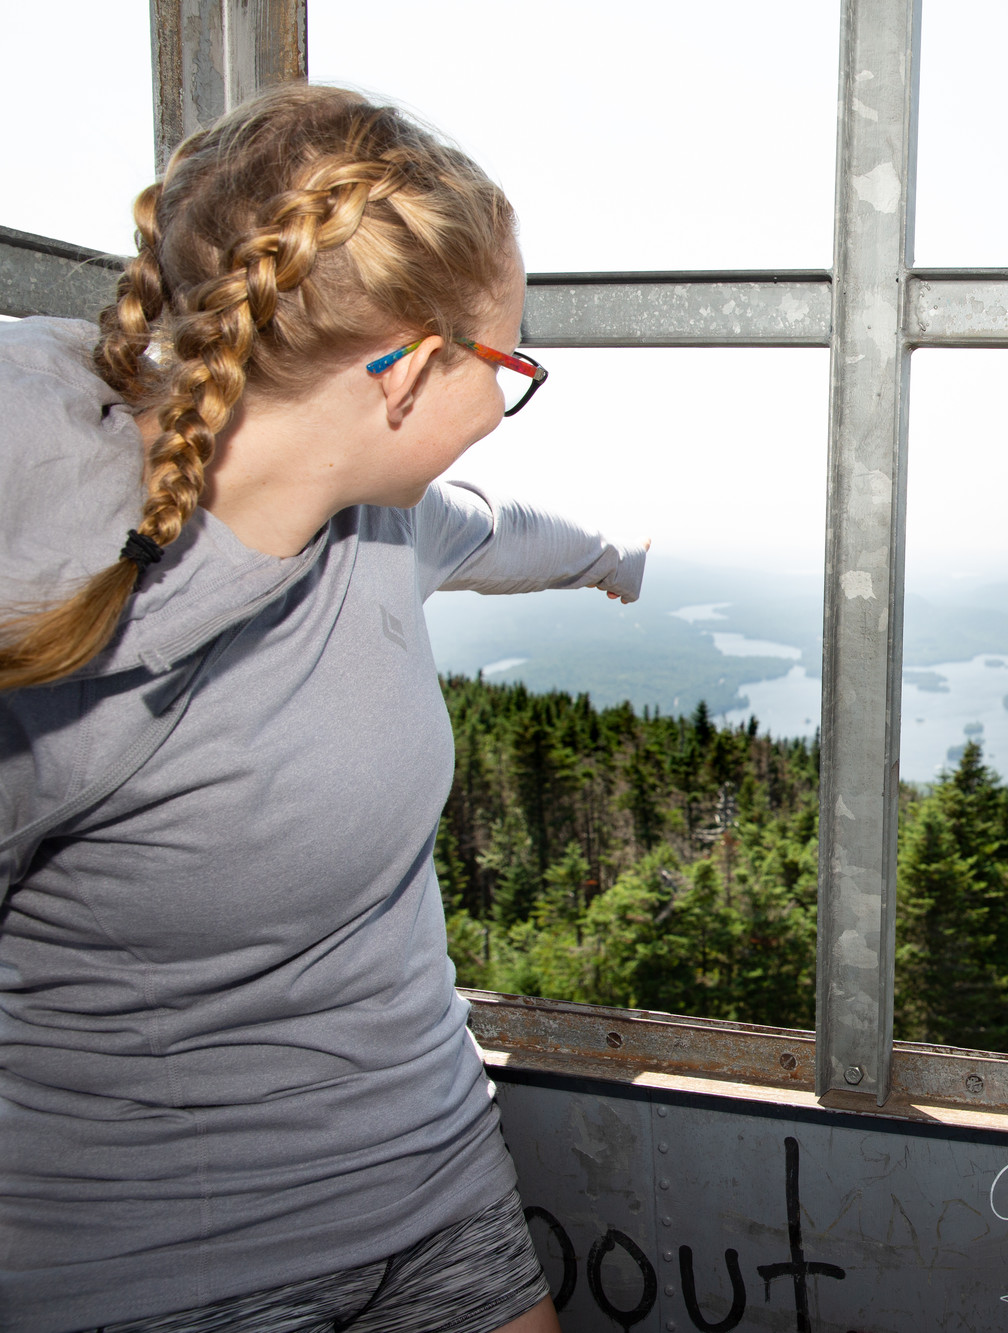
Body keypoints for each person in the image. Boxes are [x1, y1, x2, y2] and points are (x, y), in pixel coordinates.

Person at [0, 85, 647, 1332]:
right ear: (403, 369)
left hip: (436, 1184)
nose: (509, 395)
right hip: (145, 1266)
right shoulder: (43, 624)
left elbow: (505, 532)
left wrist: (621, 558)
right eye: (510, 362)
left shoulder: (378, 521)